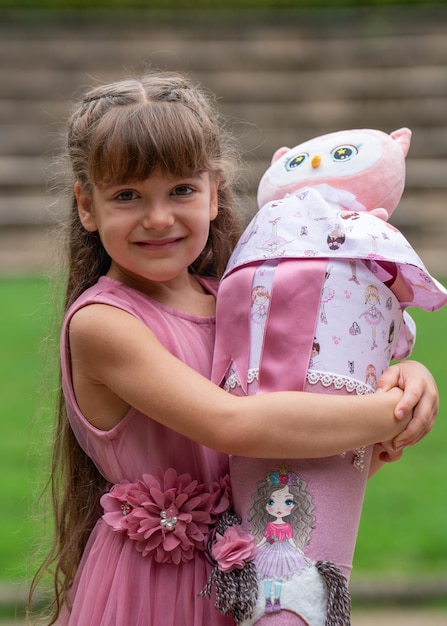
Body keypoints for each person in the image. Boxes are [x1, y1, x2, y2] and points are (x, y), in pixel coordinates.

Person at [28, 72, 438, 626]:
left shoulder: (240, 304)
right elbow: (234, 425)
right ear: (87, 205)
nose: (158, 217)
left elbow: (288, 447)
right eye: (127, 195)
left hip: (259, 576)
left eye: (181, 190)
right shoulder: (104, 323)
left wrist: (403, 378)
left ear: (215, 191)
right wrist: (383, 414)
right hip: (158, 591)